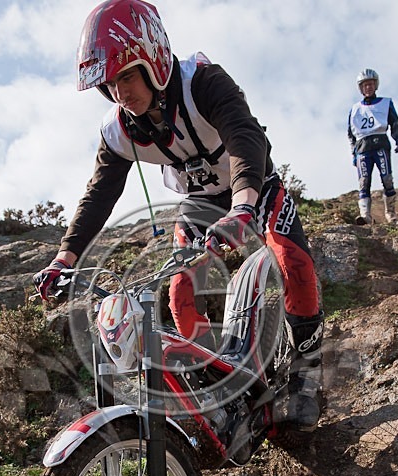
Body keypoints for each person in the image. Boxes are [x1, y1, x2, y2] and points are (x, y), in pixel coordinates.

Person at [34, 0, 323, 431]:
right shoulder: (119, 130)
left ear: (153, 60)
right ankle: (217, 390)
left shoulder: (203, 82)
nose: (120, 93)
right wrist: (65, 259)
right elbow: (99, 194)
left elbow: (246, 138)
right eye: (110, 84)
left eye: (127, 76)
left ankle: (307, 375)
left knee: (292, 260)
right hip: (199, 205)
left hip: (253, 188)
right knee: (179, 293)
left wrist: (243, 206)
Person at [348, 69, 398, 225]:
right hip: (362, 147)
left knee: (387, 178)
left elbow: (395, 122)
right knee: (364, 181)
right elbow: (350, 133)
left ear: (375, 85)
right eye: (365, 85)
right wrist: (354, 153)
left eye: (371, 84)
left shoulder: (386, 103)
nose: (368, 88)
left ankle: (390, 213)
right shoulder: (354, 109)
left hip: (380, 144)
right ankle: (365, 215)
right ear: (361, 88)